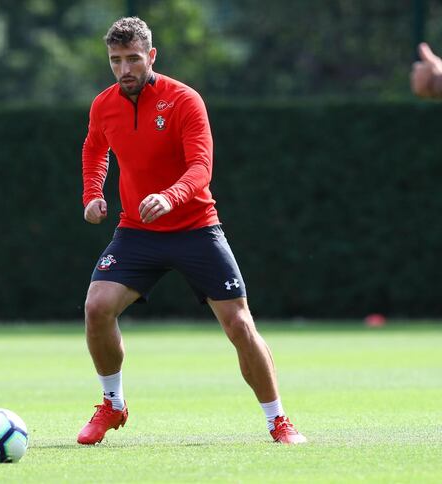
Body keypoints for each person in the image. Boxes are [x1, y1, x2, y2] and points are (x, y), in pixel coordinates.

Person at [77, 16, 306, 446]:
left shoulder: (183, 100)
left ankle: (279, 421)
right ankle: (112, 404)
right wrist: (92, 194)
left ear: (152, 56)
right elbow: (94, 148)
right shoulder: (103, 104)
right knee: (96, 307)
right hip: (137, 231)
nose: (124, 69)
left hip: (196, 227)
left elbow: (201, 168)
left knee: (239, 324)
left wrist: (171, 196)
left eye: (133, 59)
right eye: (115, 61)